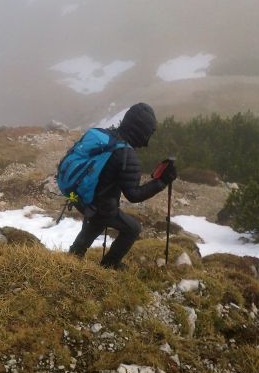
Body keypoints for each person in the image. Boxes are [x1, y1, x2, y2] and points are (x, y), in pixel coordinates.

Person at [68, 102, 177, 269]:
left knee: (98, 220)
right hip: (99, 203)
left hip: (78, 195)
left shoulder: (105, 136)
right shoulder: (127, 155)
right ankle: (110, 264)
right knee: (132, 229)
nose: (148, 137)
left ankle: (74, 255)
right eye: (149, 132)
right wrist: (161, 182)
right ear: (141, 131)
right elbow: (134, 195)